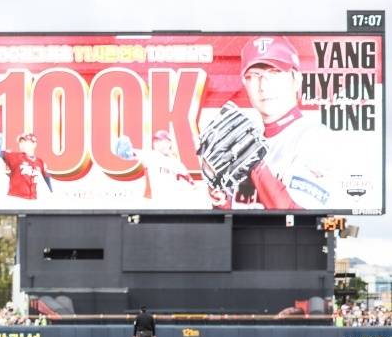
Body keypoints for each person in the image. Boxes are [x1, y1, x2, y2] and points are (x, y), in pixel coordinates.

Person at [212, 36, 333, 209]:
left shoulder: (315, 137)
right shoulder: (248, 141)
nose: (263, 85)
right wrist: (224, 202)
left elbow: (300, 216)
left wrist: (255, 162)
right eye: (254, 75)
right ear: (244, 83)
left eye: (275, 73)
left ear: (296, 80)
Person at [115, 131, 209, 207]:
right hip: (153, 203)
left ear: (169, 143)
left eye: (161, 141)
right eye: (155, 141)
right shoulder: (151, 156)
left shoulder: (176, 163)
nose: (158, 144)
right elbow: (129, 154)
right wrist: (124, 150)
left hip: (172, 205)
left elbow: (192, 185)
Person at [0, 131, 52, 199]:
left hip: (32, 199)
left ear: (34, 144)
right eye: (21, 142)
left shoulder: (39, 162)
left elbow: (46, 177)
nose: (22, 145)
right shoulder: (15, 157)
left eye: (25, 142)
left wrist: (51, 190)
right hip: (16, 198)